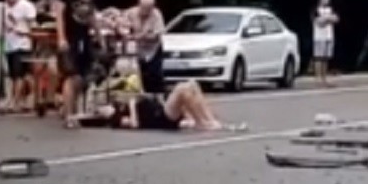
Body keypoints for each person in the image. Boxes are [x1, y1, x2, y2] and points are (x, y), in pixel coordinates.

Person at [75, 80, 246, 132]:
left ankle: (210, 120)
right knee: (182, 89)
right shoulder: (116, 119)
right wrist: (133, 104)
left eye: (100, 106)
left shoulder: (117, 105)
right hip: (161, 117)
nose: (102, 107)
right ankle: (203, 123)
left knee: (192, 85)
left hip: (160, 108)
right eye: (99, 110)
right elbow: (135, 124)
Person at [53, 0, 98, 127]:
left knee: (81, 76)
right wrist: (61, 37)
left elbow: (91, 13)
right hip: (69, 35)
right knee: (71, 75)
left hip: (84, 35)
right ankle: (69, 115)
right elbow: (59, 13)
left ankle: (67, 106)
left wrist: (98, 34)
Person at [0, 0, 37, 113]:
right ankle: (24, 100)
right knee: (16, 75)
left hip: (22, 43)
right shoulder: (4, 6)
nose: (9, 0)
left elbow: (33, 24)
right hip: (9, 44)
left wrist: (27, 33)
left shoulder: (26, 6)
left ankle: (15, 101)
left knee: (19, 74)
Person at [127, 0, 166, 95]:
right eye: (142, 7)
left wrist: (140, 36)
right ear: (139, 5)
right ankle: (141, 95)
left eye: (147, 9)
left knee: (155, 74)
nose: (144, 11)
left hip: (153, 49)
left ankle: (157, 96)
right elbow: (121, 22)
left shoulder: (157, 15)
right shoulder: (131, 12)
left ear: (152, 8)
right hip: (138, 49)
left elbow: (156, 36)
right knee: (137, 74)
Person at [312, 0, 339, 87]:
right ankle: (318, 78)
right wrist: (328, 19)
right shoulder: (316, 10)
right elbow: (319, 22)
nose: (327, 0)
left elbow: (336, 19)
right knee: (319, 57)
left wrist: (327, 19)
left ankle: (324, 78)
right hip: (319, 37)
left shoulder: (330, 9)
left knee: (326, 58)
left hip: (329, 36)